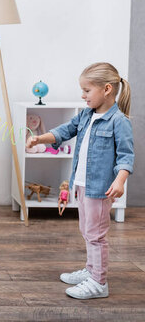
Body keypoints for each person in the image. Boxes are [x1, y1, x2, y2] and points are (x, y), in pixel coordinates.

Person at [27, 62, 133, 300]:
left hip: (101, 188)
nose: (82, 95)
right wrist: (39, 138)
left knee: (96, 234)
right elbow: (64, 131)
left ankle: (99, 283)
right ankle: (91, 269)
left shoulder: (119, 121)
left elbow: (126, 156)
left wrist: (120, 181)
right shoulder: (86, 115)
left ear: (106, 89)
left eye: (87, 90)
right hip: (82, 185)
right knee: (87, 230)